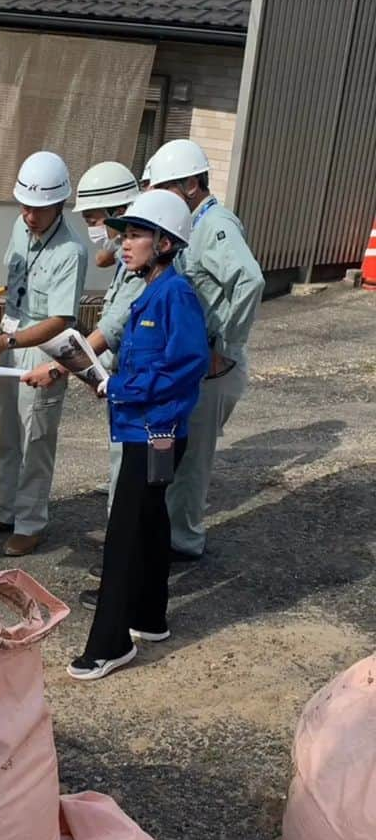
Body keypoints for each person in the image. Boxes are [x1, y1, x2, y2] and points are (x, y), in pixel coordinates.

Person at [68, 190, 209, 680]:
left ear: (166, 243)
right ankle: (150, 618)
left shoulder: (176, 295)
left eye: (134, 235)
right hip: (147, 431)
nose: (123, 245)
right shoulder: (150, 292)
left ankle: (109, 644)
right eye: (123, 235)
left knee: (124, 535)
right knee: (150, 523)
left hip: (156, 433)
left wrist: (120, 385)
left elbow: (189, 365)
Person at [144, 138, 265, 560]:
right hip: (197, 361)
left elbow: (250, 280)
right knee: (178, 453)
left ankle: (183, 542)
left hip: (214, 364)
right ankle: (172, 535)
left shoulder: (216, 225)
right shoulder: (192, 224)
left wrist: (227, 344)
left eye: (166, 189)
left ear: (192, 184)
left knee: (192, 459)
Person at [0, 151, 88, 557]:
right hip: (12, 335)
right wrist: (3, 338)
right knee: (10, 436)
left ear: (60, 204)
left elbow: (60, 320)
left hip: (41, 348)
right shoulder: (21, 228)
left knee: (36, 437)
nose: (29, 215)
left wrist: (8, 343)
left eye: (39, 208)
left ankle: (31, 522)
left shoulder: (70, 251)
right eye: (25, 205)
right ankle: (8, 511)